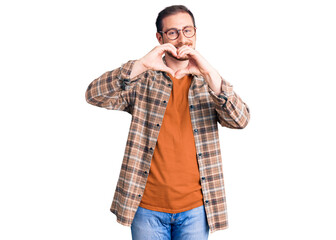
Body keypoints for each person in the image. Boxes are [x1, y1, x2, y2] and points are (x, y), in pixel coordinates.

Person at [85, 5, 250, 240]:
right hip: (146, 208)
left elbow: (241, 120)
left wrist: (212, 74)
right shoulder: (143, 79)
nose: (182, 39)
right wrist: (140, 65)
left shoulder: (209, 83)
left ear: (195, 33)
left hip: (196, 209)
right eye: (172, 33)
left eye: (187, 31)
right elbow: (94, 95)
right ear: (160, 38)